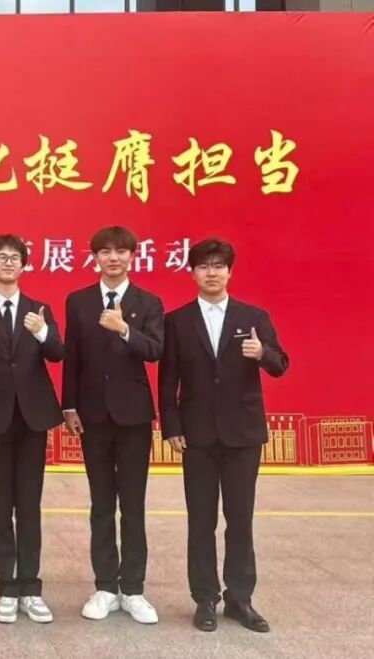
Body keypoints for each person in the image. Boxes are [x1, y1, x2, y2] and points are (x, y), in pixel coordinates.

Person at [159, 238, 289, 634]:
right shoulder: (177, 321)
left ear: (230, 271)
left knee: (240, 518)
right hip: (196, 435)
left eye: (218, 265)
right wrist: (172, 426)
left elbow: (281, 364)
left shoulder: (254, 316)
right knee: (201, 520)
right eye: (203, 266)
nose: (211, 272)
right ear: (192, 273)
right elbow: (168, 379)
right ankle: (205, 598)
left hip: (242, 435)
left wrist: (261, 353)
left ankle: (240, 598)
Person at [61, 226, 164, 625]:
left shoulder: (148, 302)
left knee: (133, 505)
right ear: (96, 258)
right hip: (93, 417)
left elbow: (155, 350)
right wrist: (69, 406)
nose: (113, 258)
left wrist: (125, 330)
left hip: (133, 417)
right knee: (101, 504)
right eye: (105, 252)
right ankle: (105, 586)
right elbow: (72, 357)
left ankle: (133, 589)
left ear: (132, 256)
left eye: (121, 251)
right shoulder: (78, 300)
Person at [0, 234, 63, 625]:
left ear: (24, 264)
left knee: (29, 504)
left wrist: (42, 331)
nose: (8, 262)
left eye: (15, 257)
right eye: (0, 257)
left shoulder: (39, 309)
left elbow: (57, 353)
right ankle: (7, 587)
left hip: (33, 418)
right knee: (0, 504)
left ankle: (31, 588)